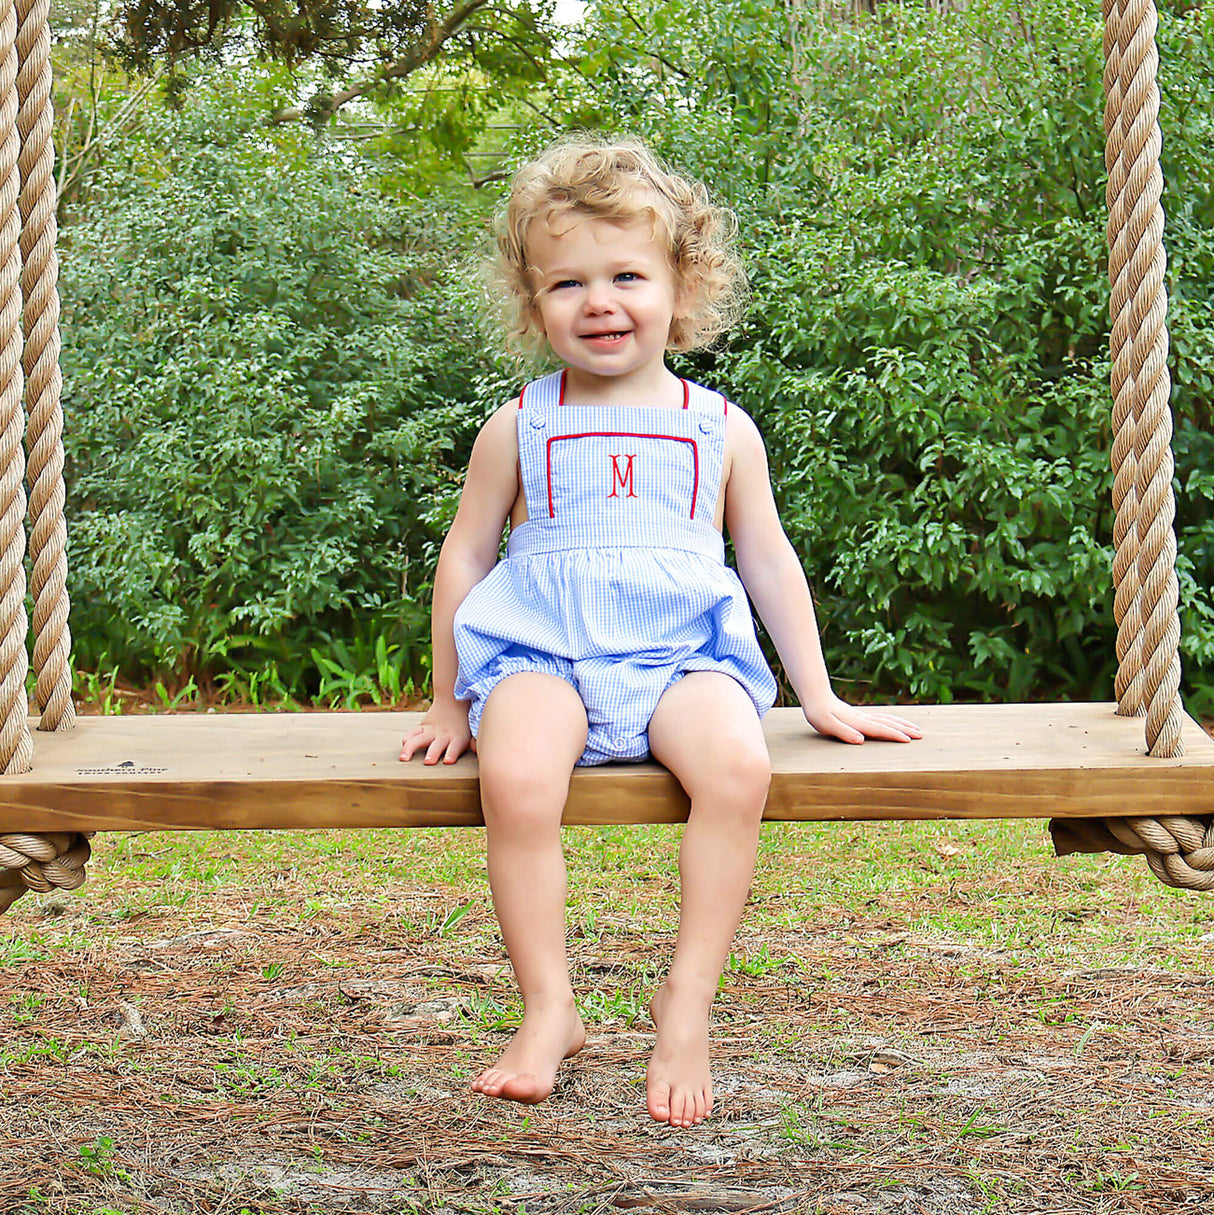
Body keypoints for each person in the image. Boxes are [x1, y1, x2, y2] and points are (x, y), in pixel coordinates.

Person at [400, 135, 921, 1129]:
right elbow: (465, 557)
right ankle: (549, 1007)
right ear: (532, 302)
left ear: (680, 288)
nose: (598, 301)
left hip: (681, 657)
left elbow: (764, 560)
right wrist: (447, 697)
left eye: (626, 275)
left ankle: (685, 1000)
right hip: (543, 656)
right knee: (514, 783)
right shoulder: (520, 427)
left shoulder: (717, 428)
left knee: (736, 771)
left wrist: (815, 693)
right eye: (567, 283)